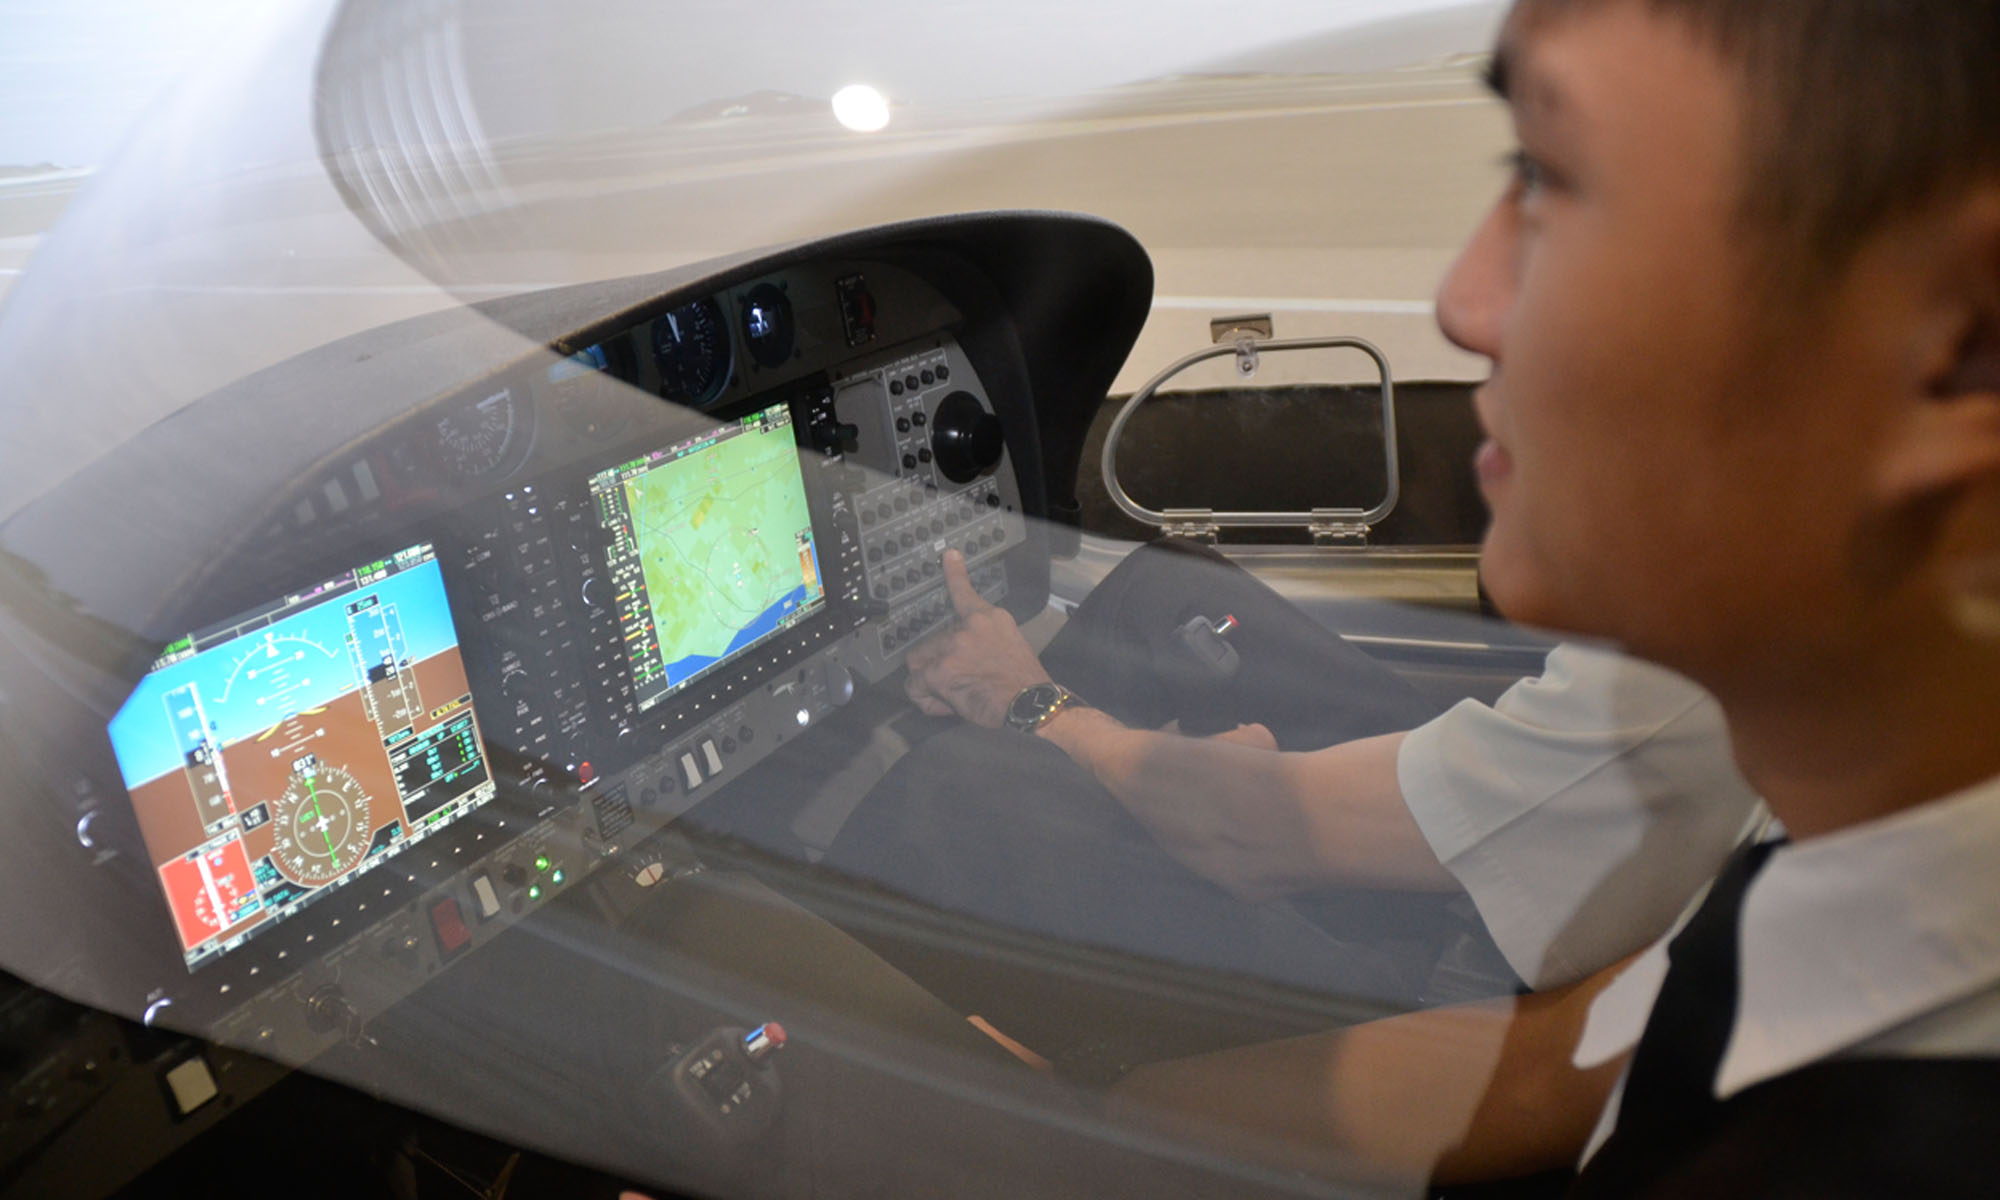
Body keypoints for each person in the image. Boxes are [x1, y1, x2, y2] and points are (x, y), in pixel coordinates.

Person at [881, 0, 2000, 1190]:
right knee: (1168, 592)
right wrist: (1102, 1118)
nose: (1463, 303)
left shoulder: (1875, 1129)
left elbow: (1266, 847)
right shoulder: (1848, 870)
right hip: (1527, 975)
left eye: (1555, 186)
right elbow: (1577, 1060)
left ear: (1956, 351)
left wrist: (1038, 710)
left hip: (1479, 960)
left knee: (956, 797)